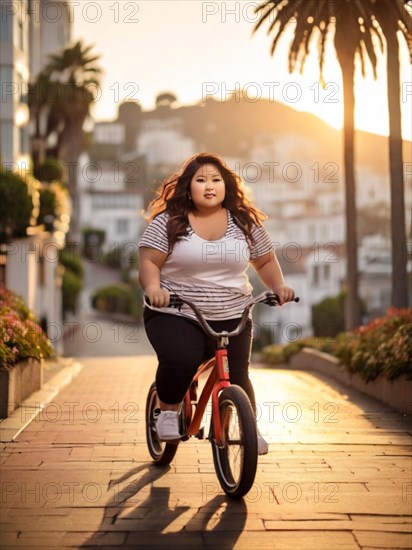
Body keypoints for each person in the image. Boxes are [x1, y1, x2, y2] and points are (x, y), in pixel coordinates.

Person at [138, 153, 295, 455]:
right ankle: (168, 410)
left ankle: (250, 429)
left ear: (226, 186)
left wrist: (279, 287)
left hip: (233, 314)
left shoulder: (244, 222)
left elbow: (265, 260)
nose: (209, 186)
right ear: (188, 187)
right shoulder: (169, 221)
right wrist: (154, 287)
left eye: (215, 180)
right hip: (177, 313)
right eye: (201, 180)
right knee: (183, 360)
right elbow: (149, 261)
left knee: (239, 375)